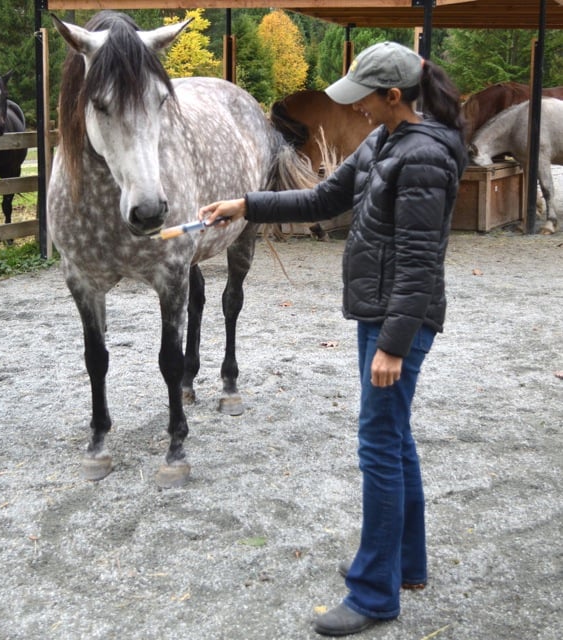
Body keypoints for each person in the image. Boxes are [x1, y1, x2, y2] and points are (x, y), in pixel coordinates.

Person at [199, 41, 467, 637]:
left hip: (399, 320)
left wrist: (394, 344)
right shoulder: (384, 141)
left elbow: (422, 263)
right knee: (395, 440)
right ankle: (406, 565)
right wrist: (244, 203)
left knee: (378, 446)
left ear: (393, 96)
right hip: (377, 310)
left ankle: (373, 594)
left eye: (365, 98)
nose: (357, 109)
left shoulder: (421, 156)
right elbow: (323, 197)